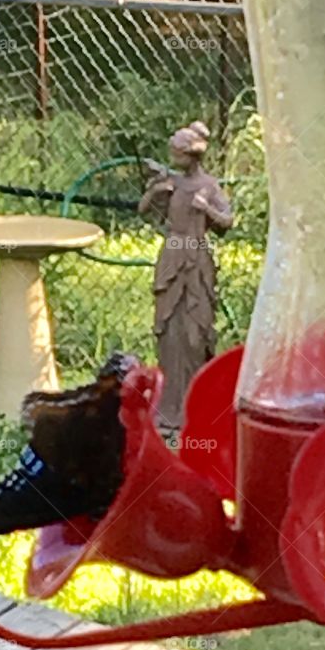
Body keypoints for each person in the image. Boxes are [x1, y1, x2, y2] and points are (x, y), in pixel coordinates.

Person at [139, 121, 233, 431]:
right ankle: (168, 408)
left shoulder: (209, 186)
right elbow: (143, 210)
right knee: (169, 331)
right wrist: (155, 190)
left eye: (178, 153)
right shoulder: (172, 182)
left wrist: (207, 209)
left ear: (191, 155)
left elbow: (227, 222)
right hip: (173, 255)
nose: (173, 158)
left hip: (197, 261)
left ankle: (195, 406)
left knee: (195, 333)